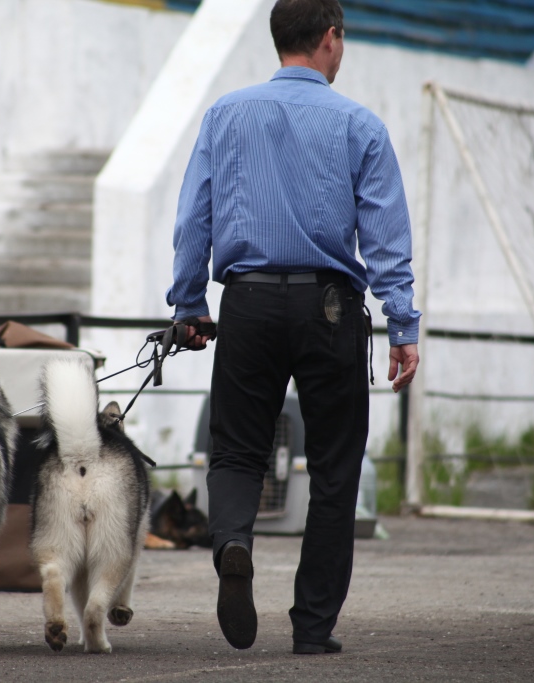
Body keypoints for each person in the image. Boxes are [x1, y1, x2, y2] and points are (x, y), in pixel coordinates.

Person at [165, 0, 420, 656]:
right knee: (334, 466)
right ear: (330, 38)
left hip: (247, 301)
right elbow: (386, 236)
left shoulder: (225, 115)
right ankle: (312, 625)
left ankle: (234, 543)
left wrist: (189, 303)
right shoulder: (360, 125)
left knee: (236, 449)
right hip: (329, 308)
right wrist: (402, 325)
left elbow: (194, 218)